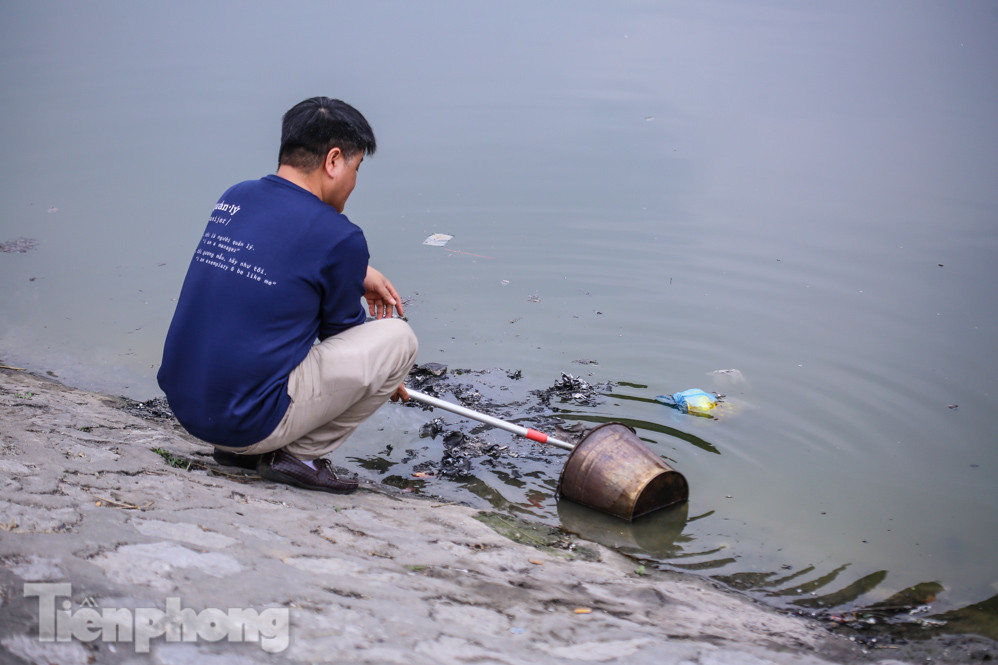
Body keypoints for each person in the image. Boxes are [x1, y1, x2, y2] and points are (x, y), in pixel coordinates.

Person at [157, 97, 418, 494]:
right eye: (356, 167)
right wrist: (387, 371)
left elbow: (277, 250)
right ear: (333, 161)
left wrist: (355, 271)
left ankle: (241, 452)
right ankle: (299, 456)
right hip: (246, 422)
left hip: (189, 408)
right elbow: (341, 335)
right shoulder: (340, 236)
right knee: (399, 340)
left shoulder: (236, 196)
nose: (354, 180)